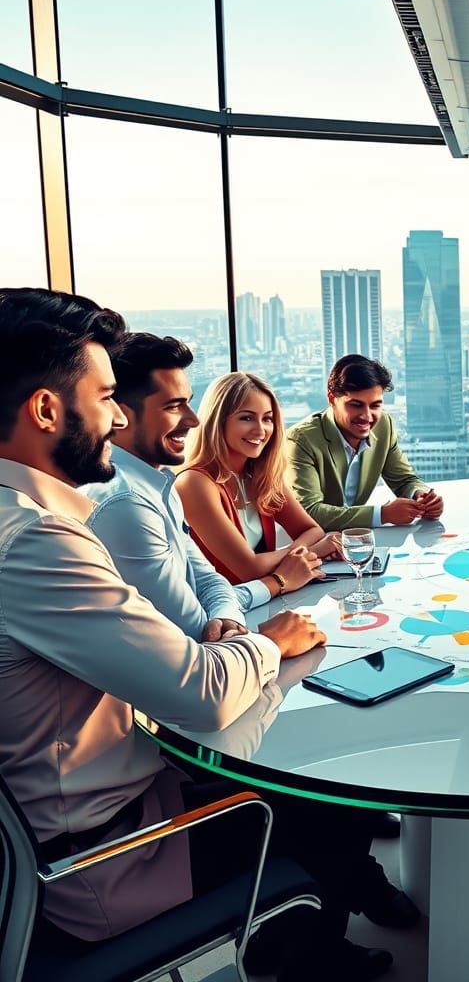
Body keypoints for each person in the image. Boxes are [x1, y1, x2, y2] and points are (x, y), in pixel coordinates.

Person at [0, 287, 394, 980]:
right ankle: (308, 957)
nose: (116, 417)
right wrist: (272, 639)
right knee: (329, 802)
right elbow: (201, 690)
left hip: (108, 805)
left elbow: (194, 606)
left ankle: (308, 928)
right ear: (44, 409)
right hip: (106, 855)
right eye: (104, 398)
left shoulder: (37, 518)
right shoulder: (38, 542)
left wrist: (231, 626)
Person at [83, 334, 321, 635]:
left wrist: (231, 615)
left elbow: (209, 584)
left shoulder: (160, 488)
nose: (194, 420)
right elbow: (194, 628)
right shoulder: (127, 502)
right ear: (120, 414)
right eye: (173, 406)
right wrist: (273, 630)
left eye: (189, 404)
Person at [175, 371, 342, 586]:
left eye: (267, 419)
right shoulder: (194, 483)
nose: (261, 430)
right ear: (218, 421)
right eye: (246, 418)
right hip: (221, 612)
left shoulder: (261, 474)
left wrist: (298, 555)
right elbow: (248, 569)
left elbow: (312, 530)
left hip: (267, 599)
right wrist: (313, 551)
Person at [286, 354, 443, 529]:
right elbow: (310, 511)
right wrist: (382, 514)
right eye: (356, 405)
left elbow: (404, 480)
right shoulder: (301, 440)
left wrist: (420, 496)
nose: (367, 416)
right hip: (306, 543)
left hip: (354, 540)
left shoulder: (384, 425)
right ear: (331, 399)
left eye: (375, 405)